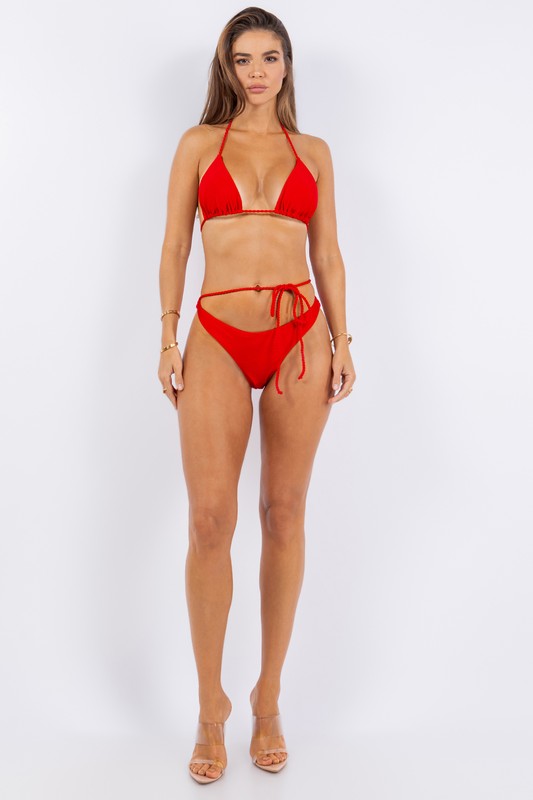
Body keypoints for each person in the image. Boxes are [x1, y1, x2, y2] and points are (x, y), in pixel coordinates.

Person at [157, 6, 356, 784]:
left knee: (284, 513)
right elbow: (177, 242)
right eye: (243, 59)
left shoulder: (314, 152)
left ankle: (267, 697)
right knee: (210, 520)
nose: (257, 71)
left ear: (286, 64)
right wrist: (168, 336)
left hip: (300, 335)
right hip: (215, 332)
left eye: (269, 57)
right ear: (226, 68)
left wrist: (343, 340)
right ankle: (210, 709)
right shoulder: (198, 144)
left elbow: (327, 253)